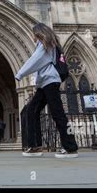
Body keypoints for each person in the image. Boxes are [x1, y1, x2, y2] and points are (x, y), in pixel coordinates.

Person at [15, 23, 79, 158]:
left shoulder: (45, 45)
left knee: (57, 113)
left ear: (39, 33)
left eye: (34, 34)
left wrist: (20, 74)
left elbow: (35, 60)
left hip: (50, 82)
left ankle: (70, 147)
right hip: (45, 83)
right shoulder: (48, 45)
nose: (33, 37)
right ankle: (35, 146)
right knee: (31, 110)